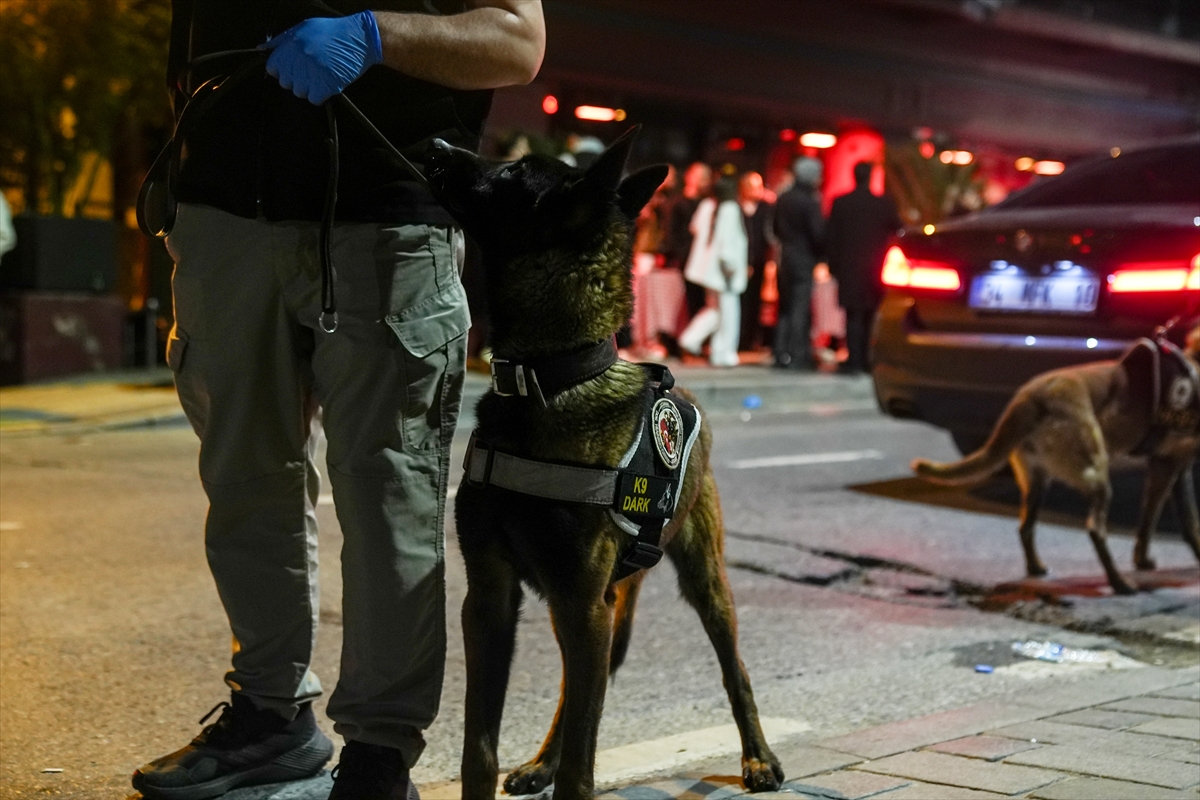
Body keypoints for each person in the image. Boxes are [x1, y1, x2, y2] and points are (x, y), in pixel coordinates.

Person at [133, 3, 545, 799]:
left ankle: (379, 754)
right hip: (224, 220)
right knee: (245, 487)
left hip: (385, 224)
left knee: (389, 499)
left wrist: (376, 34)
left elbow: (517, 39)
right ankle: (270, 715)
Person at [826, 160, 902, 375]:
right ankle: (869, 359)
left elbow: (832, 238)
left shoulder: (841, 203)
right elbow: (899, 230)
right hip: (875, 268)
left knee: (852, 316)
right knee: (871, 315)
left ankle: (854, 360)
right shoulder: (883, 205)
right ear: (870, 177)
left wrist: (833, 266)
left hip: (849, 268)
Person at [679, 175, 748, 367]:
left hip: (708, 271)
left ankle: (692, 339)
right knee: (728, 315)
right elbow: (727, 245)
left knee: (715, 311)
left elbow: (694, 229)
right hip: (724, 273)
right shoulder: (730, 209)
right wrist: (731, 268)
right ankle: (723, 352)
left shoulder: (708, 206)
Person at [772, 156, 824, 370]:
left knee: (785, 306)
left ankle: (780, 352)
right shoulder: (809, 200)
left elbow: (774, 228)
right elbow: (818, 233)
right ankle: (798, 355)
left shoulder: (783, 197)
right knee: (800, 308)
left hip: (784, 256)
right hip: (803, 258)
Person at [664, 162, 712, 320]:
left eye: (704, 177)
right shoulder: (678, 202)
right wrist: (679, 254)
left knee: (700, 301)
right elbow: (671, 232)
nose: (702, 180)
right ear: (688, 177)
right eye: (698, 176)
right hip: (684, 259)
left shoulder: (707, 203)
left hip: (702, 258)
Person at [737, 171, 772, 354]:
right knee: (739, 302)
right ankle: (739, 339)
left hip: (759, 261)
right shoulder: (735, 208)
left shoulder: (765, 208)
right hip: (739, 262)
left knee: (755, 302)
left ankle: (751, 339)